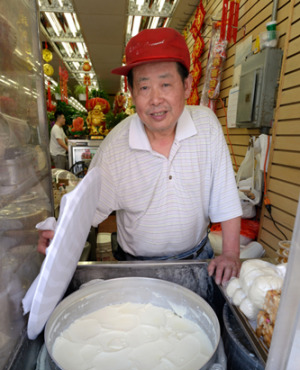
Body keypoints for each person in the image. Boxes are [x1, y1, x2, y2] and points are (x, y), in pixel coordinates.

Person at [38, 27, 242, 285]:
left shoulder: (207, 126)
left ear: (187, 85)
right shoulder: (116, 145)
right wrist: (57, 233)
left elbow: (226, 196)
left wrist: (232, 254)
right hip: (136, 266)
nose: (155, 100)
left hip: (197, 260)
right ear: (132, 92)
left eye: (166, 84)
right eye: (144, 87)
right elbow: (86, 209)